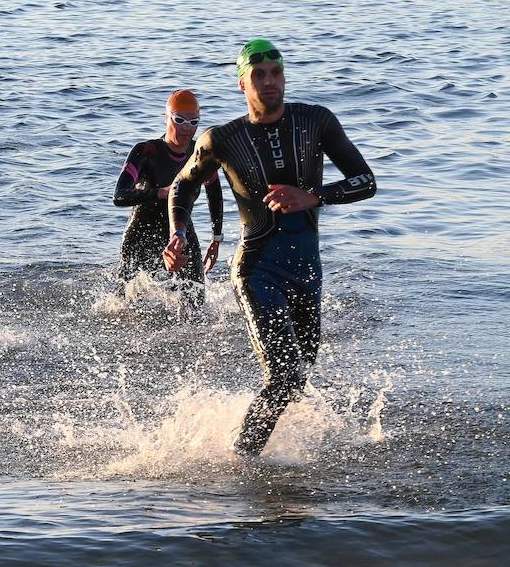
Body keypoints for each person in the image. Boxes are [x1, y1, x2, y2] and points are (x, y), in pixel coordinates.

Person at [164, 39, 376, 456]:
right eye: (258, 75)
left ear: (284, 76)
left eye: (275, 72)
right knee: (282, 376)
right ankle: (242, 462)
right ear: (241, 84)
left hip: (306, 270)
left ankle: (253, 448)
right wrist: (177, 232)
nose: (269, 82)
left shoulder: (317, 122)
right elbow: (182, 187)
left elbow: (365, 181)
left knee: (298, 377)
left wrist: (314, 195)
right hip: (258, 269)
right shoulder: (221, 140)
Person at [114, 89, 224, 306]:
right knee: (125, 303)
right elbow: (119, 196)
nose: (186, 127)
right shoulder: (146, 151)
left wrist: (216, 239)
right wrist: (159, 193)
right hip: (141, 232)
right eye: (179, 119)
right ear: (166, 118)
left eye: (193, 122)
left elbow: (215, 195)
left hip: (181, 232)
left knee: (196, 301)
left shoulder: (200, 154)